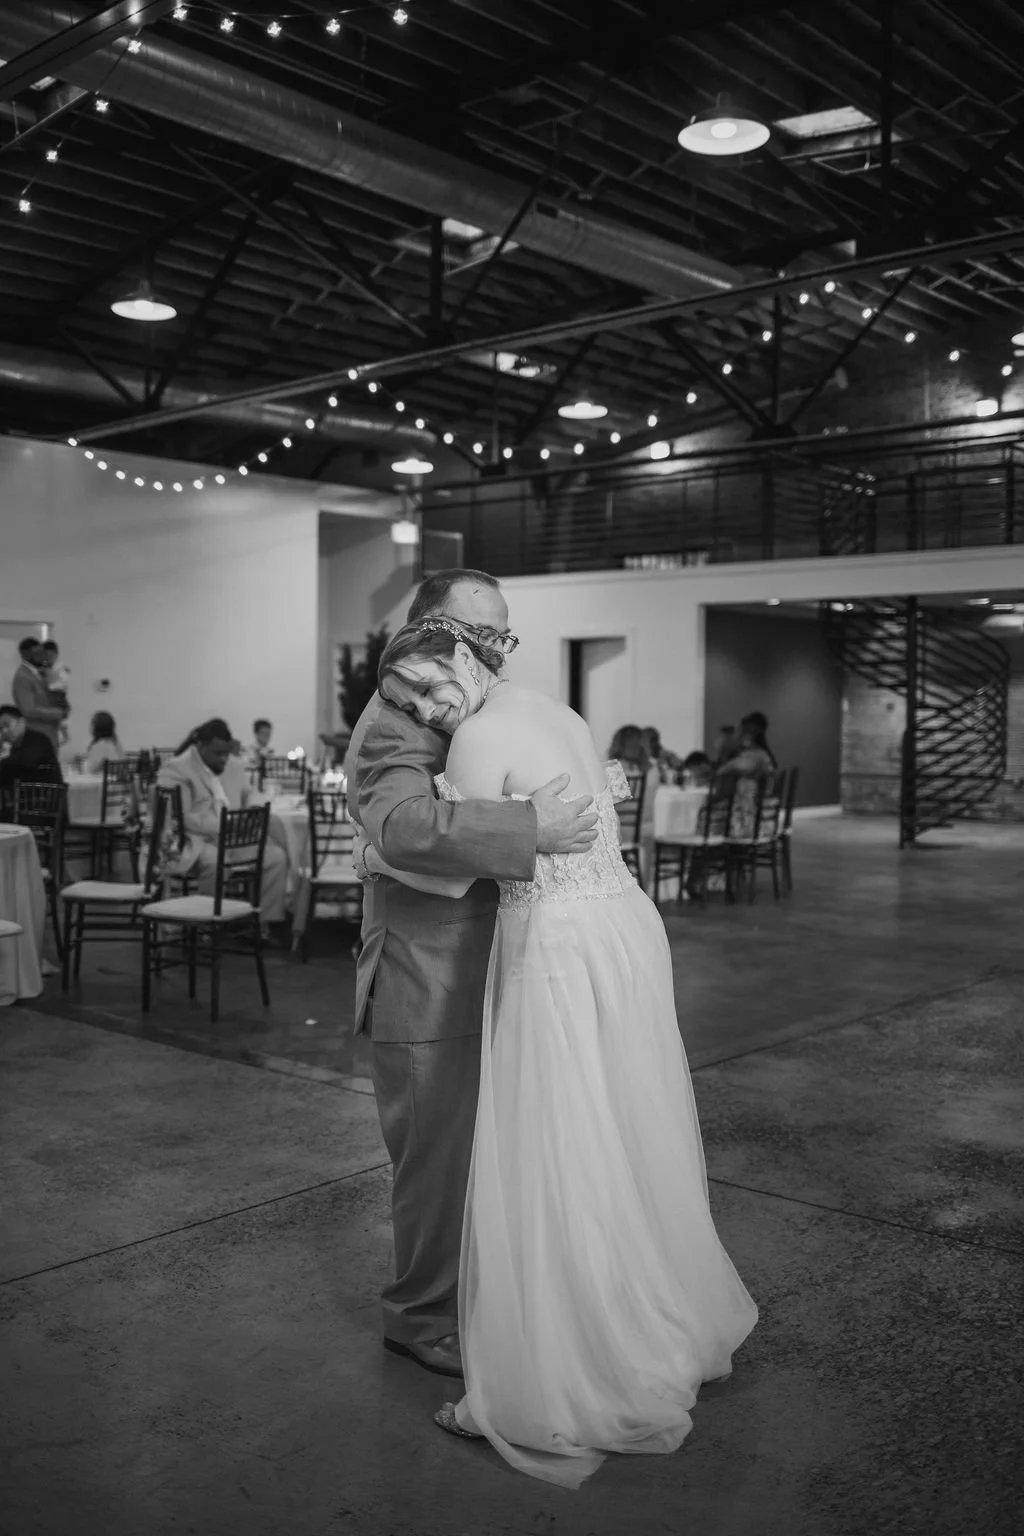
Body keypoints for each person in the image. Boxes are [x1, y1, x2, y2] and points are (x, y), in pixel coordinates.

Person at [360, 619, 758, 1490]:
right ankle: (656, 1316)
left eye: (431, 684)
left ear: (469, 658)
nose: (430, 707)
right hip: (625, 927)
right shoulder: (564, 711)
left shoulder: (475, 733)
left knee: (555, 1141)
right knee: (619, 1127)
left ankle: (574, 1365)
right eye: (409, 701)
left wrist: (367, 851)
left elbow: (446, 867)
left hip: (559, 945)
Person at [347, 568, 599, 1384]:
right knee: (436, 1162)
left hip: (487, 964)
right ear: (427, 628)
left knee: (481, 1156)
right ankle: (418, 1320)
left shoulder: (475, 705)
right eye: (479, 633)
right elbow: (400, 823)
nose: (495, 650)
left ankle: (470, 1298)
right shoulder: (396, 717)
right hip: (426, 977)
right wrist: (530, 826)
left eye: (503, 635)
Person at [156, 718, 290, 945]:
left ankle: (261, 925)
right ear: (201, 747)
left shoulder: (234, 765)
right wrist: (226, 825)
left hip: (232, 839)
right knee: (214, 861)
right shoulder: (177, 769)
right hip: (196, 841)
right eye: (218, 753)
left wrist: (255, 806)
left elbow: (250, 792)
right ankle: (206, 927)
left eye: (226, 753)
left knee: (275, 857)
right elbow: (183, 818)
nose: (224, 759)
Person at [0, 704, 64, 814]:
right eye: (0, 728)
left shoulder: (39, 741)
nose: (4, 731)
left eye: (7, 725)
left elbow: (24, 762)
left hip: (44, 810)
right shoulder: (15, 748)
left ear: (22, 722)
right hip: (20, 807)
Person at [11, 637, 66, 751]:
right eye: (37, 653)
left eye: (41, 652)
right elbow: (29, 710)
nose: (42, 656)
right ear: (25, 654)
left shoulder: (40, 674)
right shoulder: (22, 677)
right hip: (36, 737)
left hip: (50, 735)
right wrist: (57, 713)